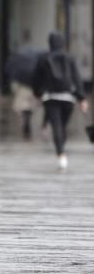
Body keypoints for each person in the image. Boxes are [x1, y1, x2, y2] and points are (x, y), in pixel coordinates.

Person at [32, 31, 87, 170]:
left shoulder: (43, 58)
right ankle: (61, 149)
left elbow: (36, 79)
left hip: (51, 98)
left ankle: (61, 153)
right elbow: (77, 78)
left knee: (57, 126)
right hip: (68, 98)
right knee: (62, 126)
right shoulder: (70, 58)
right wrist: (81, 98)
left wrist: (38, 93)